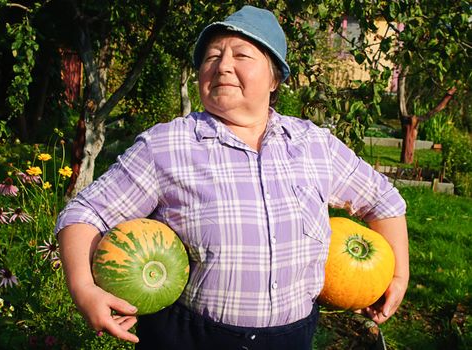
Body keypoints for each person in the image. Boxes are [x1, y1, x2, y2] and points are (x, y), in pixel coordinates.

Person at [55, 5, 409, 350]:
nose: (223, 66)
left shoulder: (315, 145)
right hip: (189, 336)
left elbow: (384, 200)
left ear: (274, 78)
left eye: (241, 55)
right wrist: (84, 289)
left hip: (292, 338)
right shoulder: (166, 146)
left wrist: (397, 276)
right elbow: (85, 213)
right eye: (211, 57)